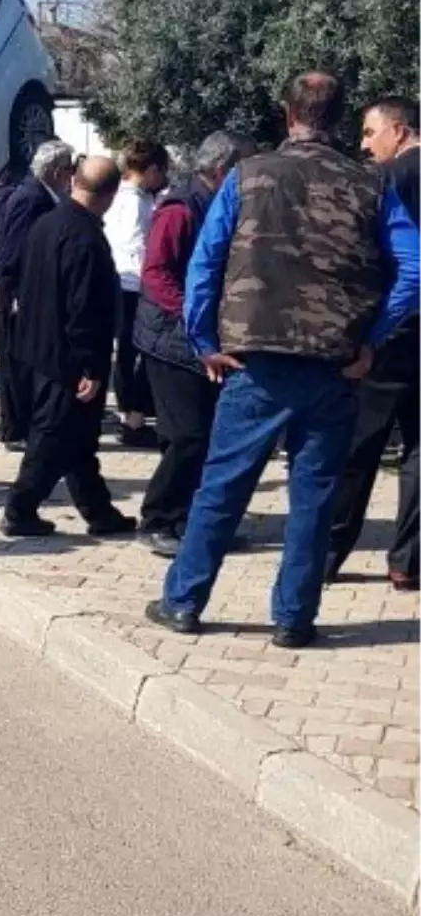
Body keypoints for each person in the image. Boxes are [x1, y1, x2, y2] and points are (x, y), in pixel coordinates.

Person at [147, 72, 421, 647]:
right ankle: (294, 618)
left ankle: (184, 601)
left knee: (222, 486)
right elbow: (412, 268)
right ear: (340, 119)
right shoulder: (371, 185)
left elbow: (204, 265)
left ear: (285, 113)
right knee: (314, 496)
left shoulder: (248, 176)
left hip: (255, 359)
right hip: (332, 363)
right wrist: (369, 337)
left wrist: (203, 342)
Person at [0, 155, 135, 540]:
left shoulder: (47, 223)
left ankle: (98, 511)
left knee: (78, 440)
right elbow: (83, 310)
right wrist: (91, 368)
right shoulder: (85, 238)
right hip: (67, 360)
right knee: (53, 436)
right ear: (110, 195)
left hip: (38, 347)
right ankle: (19, 508)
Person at [133, 131, 245, 555]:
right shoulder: (179, 210)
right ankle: (158, 518)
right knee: (188, 436)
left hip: (201, 339)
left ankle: (192, 521)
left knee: (209, 436)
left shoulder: (217, 205)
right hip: (170, 340)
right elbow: (156, 273)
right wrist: (193, 312)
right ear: (221, 171)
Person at [326, 97, 421, 591]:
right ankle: (408, 561)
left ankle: (327, 555)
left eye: (369, 132)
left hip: (392, 328)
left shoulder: (386, 181)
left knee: (358, 446)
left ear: (399, 130)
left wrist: (368, 331)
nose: (364, 144)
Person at [0, 141, 74, 446]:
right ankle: (16, 429)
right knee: (16, 364)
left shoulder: (43, 197)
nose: (72, 177)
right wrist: (13, 293)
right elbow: (11, 251)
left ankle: (26, 424)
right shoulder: (30, 199)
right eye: (68, 170)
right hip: (18, 296)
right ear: (55, 171)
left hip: (30, 294)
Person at [104, 139, 169, 444]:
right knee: (132, 351)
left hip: (122, 282)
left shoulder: (122, 197)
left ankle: (133, 412)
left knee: (128, 351)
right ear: (151, 170)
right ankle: (132, 417)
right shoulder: (135, 203)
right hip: (131, 284)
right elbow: (135, 246)